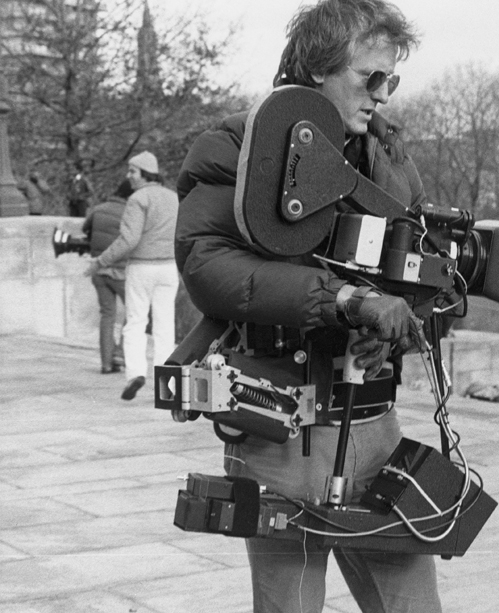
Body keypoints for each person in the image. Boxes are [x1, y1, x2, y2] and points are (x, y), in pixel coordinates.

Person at [173, 1, 442, 611]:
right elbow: (208, 266)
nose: (382, 94)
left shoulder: (388, 158)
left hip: (375, 426)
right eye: (370, 77)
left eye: (391, 79)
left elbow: (427, 268)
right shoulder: (235, 144)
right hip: (279, 433)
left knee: (413, 604)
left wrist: (401, 319)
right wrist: (345, 300)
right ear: (318, 68)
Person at [87, 151, 179, 401]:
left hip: (142, 267)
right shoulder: (173, 197)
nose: (129, 176)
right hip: (169, 267)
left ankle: (136, 373)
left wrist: (100, 261)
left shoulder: (138, 199)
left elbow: (129, 239)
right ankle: (167, 385)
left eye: (132, 171)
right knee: (164, 325)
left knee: (135, 322)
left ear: (145, 173)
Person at [82, 180, 134, 374]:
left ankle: (106, 364)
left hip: (99, 271)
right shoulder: (130, 212)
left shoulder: (98, 209)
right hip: (121, 272)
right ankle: (119, 353)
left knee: (107, 315)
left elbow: (85, 229)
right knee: (136, 312)